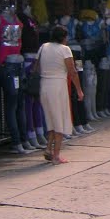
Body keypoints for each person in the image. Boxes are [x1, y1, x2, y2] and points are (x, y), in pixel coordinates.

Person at [39, 24, 83, 165]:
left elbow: (37, 66)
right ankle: (56, 155)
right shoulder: (65, 50)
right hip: (57, 86)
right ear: (63, 37)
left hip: (44, 85)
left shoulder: (43, 47)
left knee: (51, 119)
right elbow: (73, 71)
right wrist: (79, 90)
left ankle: (48, 149)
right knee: (60, 120)